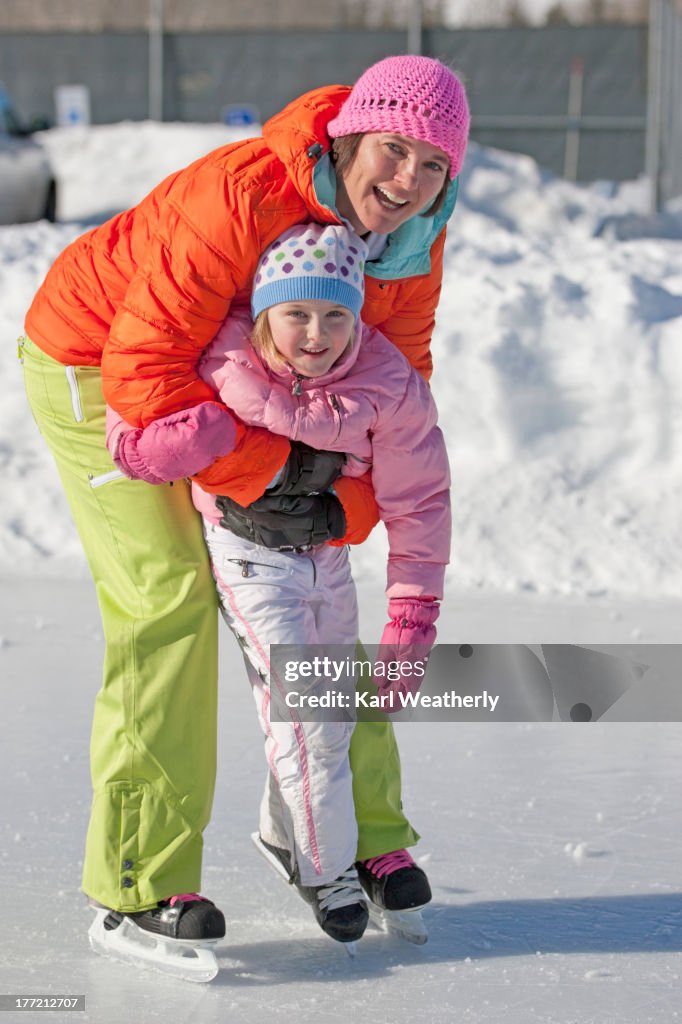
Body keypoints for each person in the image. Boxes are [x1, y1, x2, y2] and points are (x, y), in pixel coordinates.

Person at [20, 54, 469, 969]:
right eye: (393, 151)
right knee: (171, 602)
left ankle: (348, 836)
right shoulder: (238, 195)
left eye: (433, 167)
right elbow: (145, 379)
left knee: (325, 593)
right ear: (349, 138)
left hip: (254, 391)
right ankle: (137, 879)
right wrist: (276, 469)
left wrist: (336, 500)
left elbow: (397, 398)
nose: (408, 182)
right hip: (107, 368)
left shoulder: (415, 240)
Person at [107, 222, 451, 945]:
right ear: (265, 313)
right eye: (296, 313)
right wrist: (178, 443)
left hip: (326, 558)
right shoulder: (220, 360)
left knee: (336, 711)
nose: (316, 334)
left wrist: (413, 615)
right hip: (249, 558)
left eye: (335, 315)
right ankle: (322, 871)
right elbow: (130, 414)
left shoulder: (386, 384)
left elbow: (419, 500)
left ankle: (286, 834)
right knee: (305, 714)